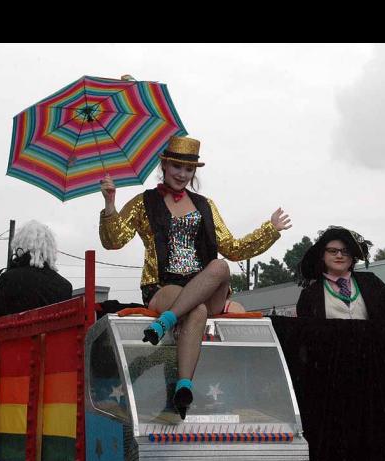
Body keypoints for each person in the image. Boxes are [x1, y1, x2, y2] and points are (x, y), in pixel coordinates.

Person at [99, 136, 291, 418]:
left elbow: (233, 249)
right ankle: (184, 387)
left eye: (189, 169)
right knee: (196, 310)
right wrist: (110, 203)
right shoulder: (144, 203)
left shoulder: (205, 205)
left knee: (221, 266)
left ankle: (166, 321)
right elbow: (114, 241)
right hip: (164, 287)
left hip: (204, 289)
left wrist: (269, 229)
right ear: (164, 166)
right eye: (177, 166)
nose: (182, 174)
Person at [295, 226, 385, 320]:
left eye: (345, 251)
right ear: (322, 256)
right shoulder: (309, 294)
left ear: (352, 257)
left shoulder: (370, 281)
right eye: (333, 251)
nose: (339, 255)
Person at [0, 220, 73, 319]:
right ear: (50, 248)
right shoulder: (65, 286)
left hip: (17, 329)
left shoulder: (9, 279)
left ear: (19, 244)